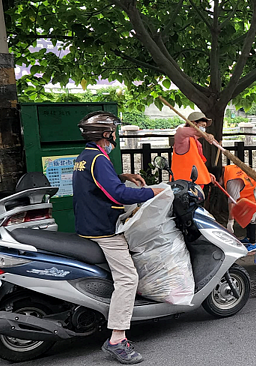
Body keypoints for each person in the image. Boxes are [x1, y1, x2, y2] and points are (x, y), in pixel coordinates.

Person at [73, 111, 164, 364]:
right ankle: (117, 338)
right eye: (113, 131)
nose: (115, 135)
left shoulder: (86, 157)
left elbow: (97, 184)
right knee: (128, 278)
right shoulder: (99, 160)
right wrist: (154, 191)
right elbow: (118, 196)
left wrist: (122, 177)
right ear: (105, 134)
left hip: (86, 225)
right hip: (103, 229)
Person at [210, 164, 256, 252]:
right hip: (252, 192)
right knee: (246, 217)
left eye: (214, 183)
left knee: (250, 218)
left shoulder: (231, 181)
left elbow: (232, 202)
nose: (215, 185)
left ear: (218, 177)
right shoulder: (229, 169)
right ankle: (248, 238)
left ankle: (253, 243)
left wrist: (230, 221)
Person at [172, 111, 216, 186]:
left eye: (204, 127)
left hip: (194, 185)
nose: (203, 129)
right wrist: (198, 131)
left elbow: (195, 163)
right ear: (193, 123)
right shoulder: (183, 140)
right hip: (183, 186)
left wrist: (206, 173)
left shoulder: (195, 141)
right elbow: (180, 131)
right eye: (202, 126)